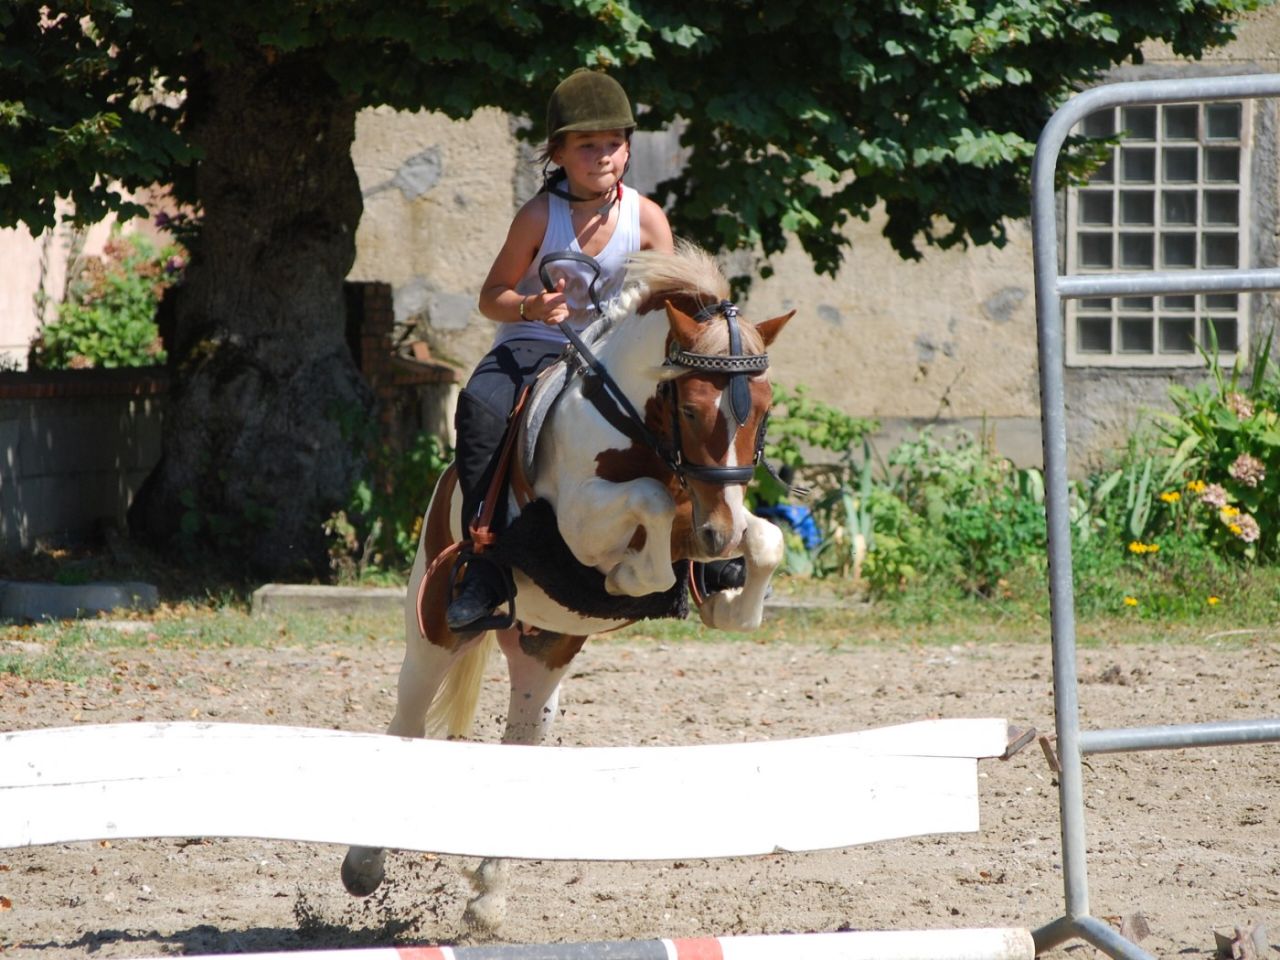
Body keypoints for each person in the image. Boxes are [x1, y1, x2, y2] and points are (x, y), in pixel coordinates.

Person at [445, 69, 675, 633]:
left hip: (613, 355)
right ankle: (485, 561)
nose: (604, 155)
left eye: (614, 143)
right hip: (534, 346)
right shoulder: (537, 216)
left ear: (628, 149)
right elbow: (491, 297)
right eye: (587, 145)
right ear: (558, 153)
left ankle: (701, 551)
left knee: (692, 407)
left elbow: (669, 302)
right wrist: (529, 307)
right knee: (481, 407)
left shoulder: (647, 218)